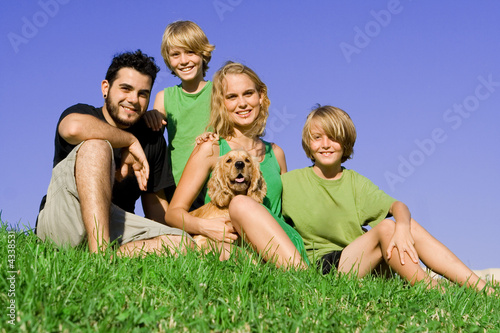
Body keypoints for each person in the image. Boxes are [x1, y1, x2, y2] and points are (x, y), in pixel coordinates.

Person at [281, 105, 494, 293]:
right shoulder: (289, 183)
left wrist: (402, 226)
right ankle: (430, 288)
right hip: (326, 267)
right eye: (317, 137)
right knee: (385, 228)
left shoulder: (354, 182)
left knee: (405, 225)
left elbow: (397, 206)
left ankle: (481, 288)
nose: (325, 144)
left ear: (345, 142)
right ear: (308, 143)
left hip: (365, 261)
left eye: (333, 137)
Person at [36, 50, 193, 256]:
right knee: (97, 146)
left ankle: (103, 254)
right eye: (125, 89)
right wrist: (128, 140)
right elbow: (72, 128)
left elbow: (155, 207)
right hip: (66, 216)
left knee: (184, 244)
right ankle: (100, 256)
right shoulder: (84, 114)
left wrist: (169, 234)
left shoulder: (151, 138)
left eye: (142, 93)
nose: (133, 99)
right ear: (105, 88)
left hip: (116, 225)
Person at [165, 61, 308, 269]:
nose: (242, 103)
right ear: (222, 103)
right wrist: (205, 227)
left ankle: (300, 275)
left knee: (241, 205)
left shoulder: (276, 153)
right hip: (236, 247)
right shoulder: (211, 148)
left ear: (261, 97)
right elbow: (173, 213)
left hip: (282, 244)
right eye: (232, 96)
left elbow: (287, 214)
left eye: (248, 93)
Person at [143, 20, 215, 209]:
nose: (183, 61)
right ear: (168, 59)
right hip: (179, 183)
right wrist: (152, 115)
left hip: (215, 180)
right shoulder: (165, 96)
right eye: (175, 54)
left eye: (190, 52)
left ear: (203, 52)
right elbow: (156, 118)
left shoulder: (219, 90)